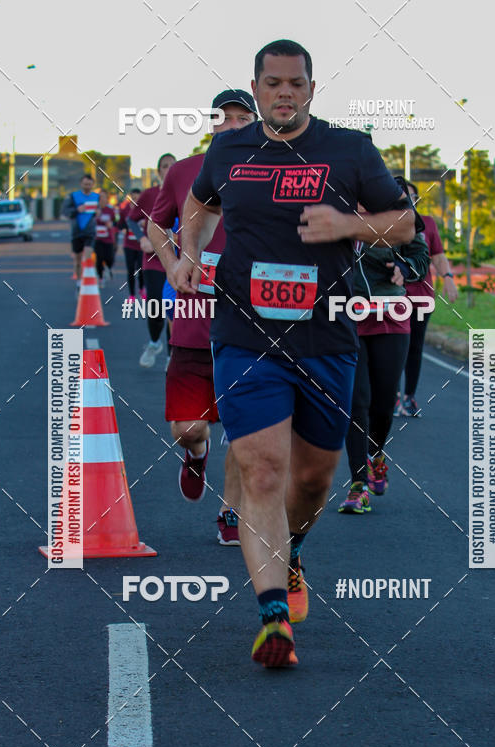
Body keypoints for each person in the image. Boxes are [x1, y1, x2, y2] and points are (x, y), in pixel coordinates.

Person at [175, 39, 415, 666]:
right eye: (273, 82)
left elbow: (404, 224)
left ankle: (294, 548)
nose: (285, 92)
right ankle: (272, 615)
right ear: (255, 88)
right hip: (245, 333)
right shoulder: (227, 149)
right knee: (260, 468)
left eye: (297, 83)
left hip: (325, 338)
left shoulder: (350, 149)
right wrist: (192, 250)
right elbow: (200, 204)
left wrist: (348, 227)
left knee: (312, 480)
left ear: (312, 87)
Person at [150, 90, 258, 546]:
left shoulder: (278, 168)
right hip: (194, 319)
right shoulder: (183, 171)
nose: (232, 125)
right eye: (224, 118)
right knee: (188, 427)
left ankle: (231, 512)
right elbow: (156, 224)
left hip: (256, 323)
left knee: (247, 432)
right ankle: (196, 455)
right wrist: (174, 264)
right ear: (210, 124)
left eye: (242, 118)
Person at [339, 181, 429, 513]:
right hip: (346, 318)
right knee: (356, 400)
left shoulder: (391, 209)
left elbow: (420, 254)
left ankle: (377, 454)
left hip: (391, 315)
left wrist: (405, 269)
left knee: (382, 403)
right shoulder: (335, 204)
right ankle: (357, 485)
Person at [394, 181, 457, 417]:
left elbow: (438, 255)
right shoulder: (385, 222)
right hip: (392, 297)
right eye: (402, 197)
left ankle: (409, 397)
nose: (407, 201)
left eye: (411, 197)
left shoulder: (427, 223)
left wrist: (448, 278)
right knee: (394, 347)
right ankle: (391, 396)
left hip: (421, 296)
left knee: (414, 347)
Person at [127, 154, 176, 367]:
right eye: (165, 166)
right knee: (155, 305)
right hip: (153, 260)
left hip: (177, 260)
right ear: (159, 172)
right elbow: (131, 219)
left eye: (173, 166)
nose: (169, 169)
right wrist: (142, 239)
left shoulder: (189, 193)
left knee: (174, 310)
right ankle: (155, 342)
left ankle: (171, 356)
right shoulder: (149, 195)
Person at [61, 174, 99, 282]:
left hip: (90, 232)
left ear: (92, 185)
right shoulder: (73, 196)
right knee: (77, 261)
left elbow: (99, 210)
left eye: (89, 184)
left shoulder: (96, 197)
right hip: (76, 232)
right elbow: (65, 212)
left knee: (87, 258)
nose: (87, 186)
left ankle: (87, 280)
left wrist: (98, 212)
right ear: (81, 184)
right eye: (85, 184)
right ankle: (78, 282)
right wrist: (77, 210)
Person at [118, 188, 145, 300]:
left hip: (141, 245)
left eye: (137, 198)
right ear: (130, 198)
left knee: (141, 268)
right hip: (128, 245)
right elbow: (119, 223)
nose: (135, 200)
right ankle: (132, 294)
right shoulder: (125, 210)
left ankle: (142, 289)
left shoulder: (145, 210)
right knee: (130, 269)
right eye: (133, 198)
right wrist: (123, 228)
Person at [94, 189, 116, 284]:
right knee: (99, 257)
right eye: (100, 197)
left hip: (109, 238)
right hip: (97, 238)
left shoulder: (111, 209)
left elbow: (117, 220)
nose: (102, 199)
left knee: (109, 257)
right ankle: (100, 276)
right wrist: (95, 216)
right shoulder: (94, 209)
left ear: (107, 198)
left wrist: (112, 224)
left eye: (104, 197)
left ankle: (109, 268)